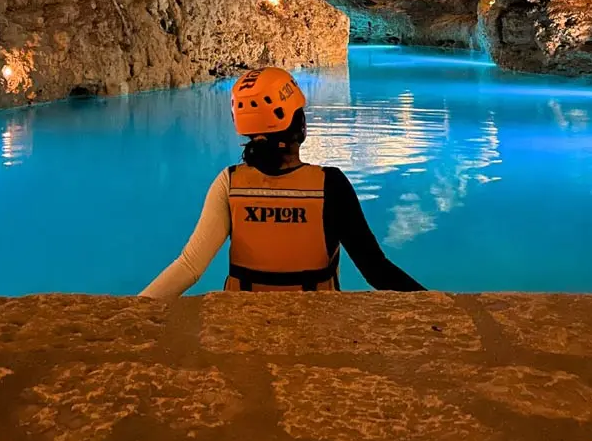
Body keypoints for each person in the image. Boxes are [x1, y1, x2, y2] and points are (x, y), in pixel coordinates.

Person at [140, 66, 425, 298]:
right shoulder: (331, 185)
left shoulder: (230, 183)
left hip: (241, 331)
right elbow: (376, 271)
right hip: (315, 330)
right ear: (300, 125)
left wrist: (133, 310)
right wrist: (435, 303)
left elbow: (190, 266)